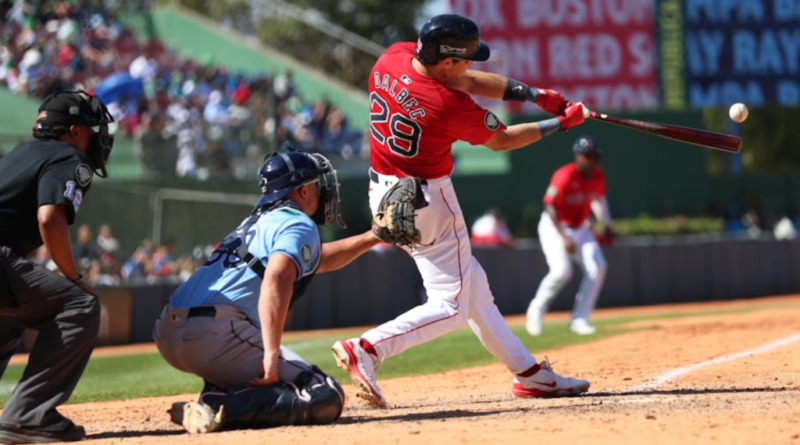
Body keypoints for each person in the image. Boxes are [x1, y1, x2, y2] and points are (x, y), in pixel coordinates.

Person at [331, 14, 590, 409]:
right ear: (447, 61)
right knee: (451, 307)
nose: (472, 64)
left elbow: (465, 79)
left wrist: (535, 94)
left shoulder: (392, 57)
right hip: (427, 202)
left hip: (382, 191)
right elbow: (501, 140)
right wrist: (559, 123)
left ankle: (530, 375)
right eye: (466, 58)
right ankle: (366, 349)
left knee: (474, 291)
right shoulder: (446, 104)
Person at [154, 147, 385, 433]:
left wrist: (374, 236)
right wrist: (271, 356)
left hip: (168, 330)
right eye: (315, 183)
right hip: (215, 334)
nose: (322, 190)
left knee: (283, 383)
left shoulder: (258, 222)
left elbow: (315, 260)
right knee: (324, 395)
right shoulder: (299, 222)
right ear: (301, 191)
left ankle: (221, 395)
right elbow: (276, 279)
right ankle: (216, 408)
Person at [0, 90, 115, 443]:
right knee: (79, 305)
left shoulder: (18, 153)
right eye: (94, 129)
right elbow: (50, 218)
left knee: (6, 319)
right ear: (75, 130)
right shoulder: (69, 156)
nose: (99, 137)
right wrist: (73, 278)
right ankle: (27, 417)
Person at [526, 136, 613, 337]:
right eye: (585, 155)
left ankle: (580, 318)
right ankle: (536, 309)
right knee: (562, 271)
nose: (589, 159)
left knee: (598, 267)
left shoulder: (597, 176)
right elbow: (550, 206)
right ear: (577, 156)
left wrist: (606, 225)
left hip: (580, 227)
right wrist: (564, 237)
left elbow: (599, 200)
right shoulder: (564, 175)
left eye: (592, 155)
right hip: (554, 226)